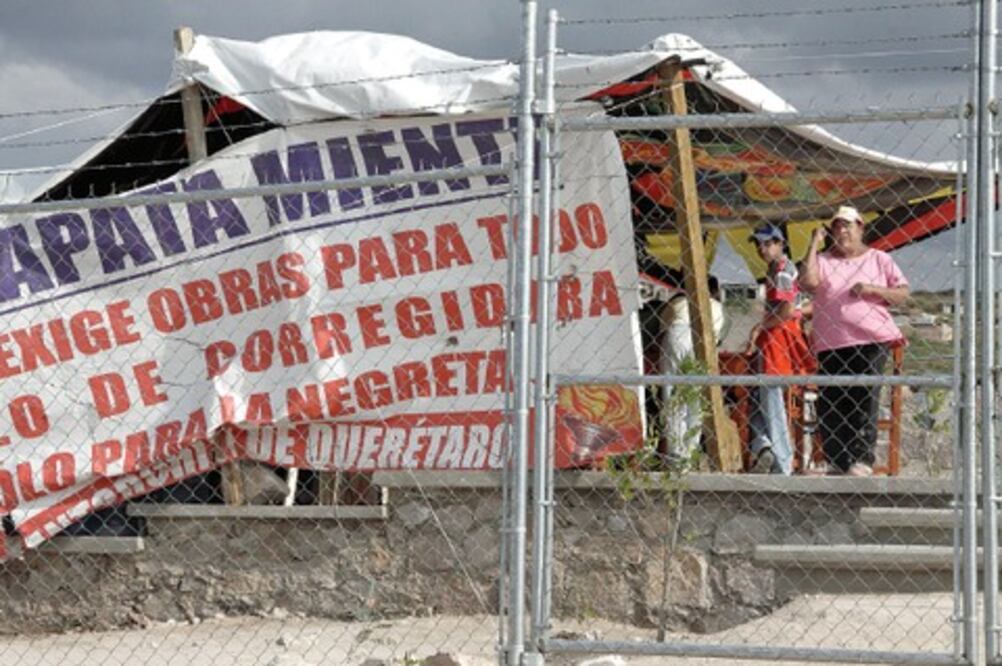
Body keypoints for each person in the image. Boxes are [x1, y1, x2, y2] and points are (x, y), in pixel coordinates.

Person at [799, 205, 909, 476]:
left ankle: (862, 458)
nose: (842, 231)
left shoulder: (879, 259)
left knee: (864, 396)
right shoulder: (824, 260)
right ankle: (836, 459)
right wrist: (813, 244)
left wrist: (872, 289)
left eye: (847, 225)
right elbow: (808, 282)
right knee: (831, 399)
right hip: (832, 340)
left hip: (870, 339)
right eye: (837, 227)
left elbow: (902, 293)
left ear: (860, 228)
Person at [745, 223, 814, 475]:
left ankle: (782, 462)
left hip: (778, 337)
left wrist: (760, 326)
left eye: (767, 243)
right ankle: (763, 446)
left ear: (780, 243)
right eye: (758, 244)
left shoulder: (782, 270)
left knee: (771, 399)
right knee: (760, 396)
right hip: (776, 336)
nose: (761, 249)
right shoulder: (776, 269)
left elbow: (786, 309)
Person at [659, 275, 726, 461]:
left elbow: (661, 328)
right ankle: (689, 451)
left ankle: (674, 451)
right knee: (695, 399)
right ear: (714, 291)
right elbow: (719, 340)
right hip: (702, 342)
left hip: (676, 335)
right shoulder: (719, 308)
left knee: (671, 394)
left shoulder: (678, 301)